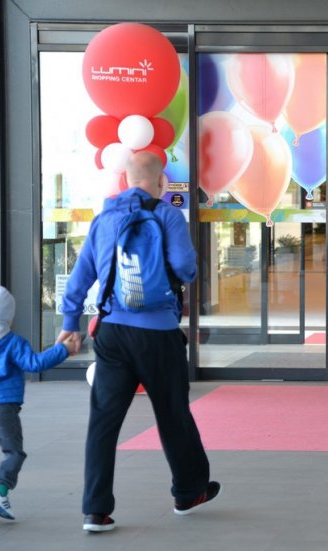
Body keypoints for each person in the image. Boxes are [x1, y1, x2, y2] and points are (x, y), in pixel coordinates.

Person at [57, 152, 220, 533]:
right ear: (161, 182)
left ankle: (95, 511)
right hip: (158, 335)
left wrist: (70, 323)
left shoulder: (104, 220)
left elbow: (81, 276)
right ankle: (188, 491)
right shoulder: (166, 216)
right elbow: (184, 267)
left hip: (111, 333)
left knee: (103, 422)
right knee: (172, 413)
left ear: (126, 180)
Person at [0, 285, 76, 527]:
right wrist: (63, 349)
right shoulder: (11, 341)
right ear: (8, 316)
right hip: (2, 407)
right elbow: (35, 363)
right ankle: (0, 491)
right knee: (14, 451)